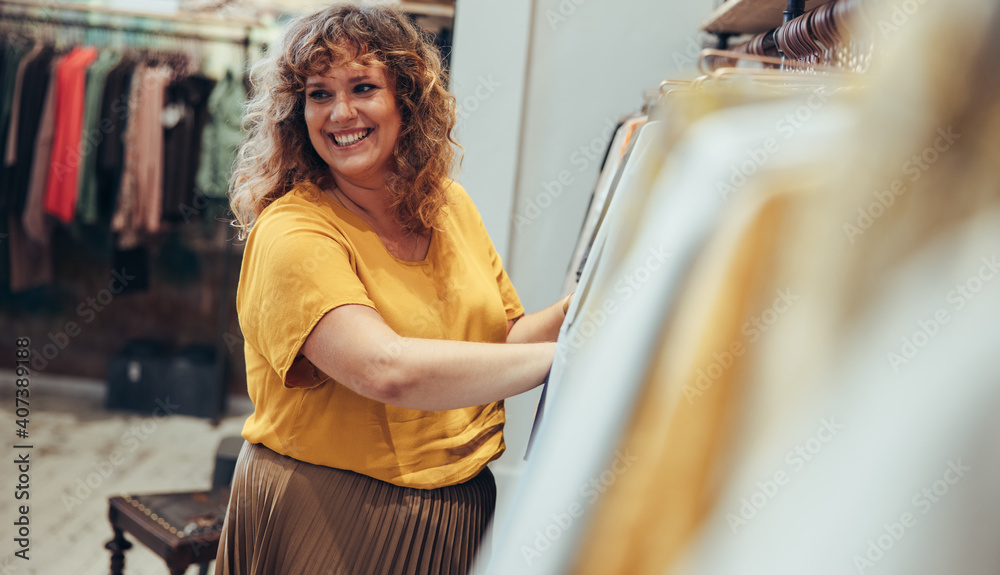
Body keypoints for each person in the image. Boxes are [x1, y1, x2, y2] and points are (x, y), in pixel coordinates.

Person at [216, 5, 572, 574]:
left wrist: (584, 308)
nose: (341, 113)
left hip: (458, 508)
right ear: (295, 111)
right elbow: (385, 370)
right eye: (318, 94)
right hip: (332, 511)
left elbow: (501, 340)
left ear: (407, 99)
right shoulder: (295, 230)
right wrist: (572, 357)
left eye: (362, 87)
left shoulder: (450, 206)